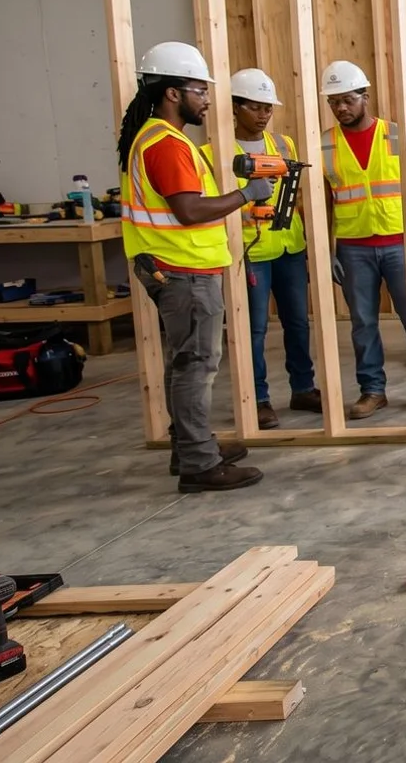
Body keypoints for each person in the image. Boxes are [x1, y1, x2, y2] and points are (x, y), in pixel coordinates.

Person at [116, 42, 273, 492]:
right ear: (172, 93)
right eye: (199, 90)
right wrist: (247, 194)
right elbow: (188, 210)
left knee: (183, 361)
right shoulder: (166, 144)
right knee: (196, 365)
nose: (206, 99)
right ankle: (200, 464)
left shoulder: (155, 137)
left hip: (171, 265)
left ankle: (189, 447)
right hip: (182, 269)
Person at [318, 60, 406, 418]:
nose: (341, 108)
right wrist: (326, 250)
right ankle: (373, 391)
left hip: (400, 243)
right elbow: (324, 202)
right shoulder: (325, 144)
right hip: (353, 247)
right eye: (333, 102)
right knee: (363, 322)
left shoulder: (396, 135)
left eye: (347, 99)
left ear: (365, 96)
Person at [198, 68, 320, 431]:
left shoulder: (283, 145)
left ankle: (303, 388)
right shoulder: (213, 154)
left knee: (298, 322)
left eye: (268, 107)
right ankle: (258, 399)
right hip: (249, 252)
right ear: (235, 107)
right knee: (253, 329)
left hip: (288, 246)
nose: (264, 114)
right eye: (255, 107)